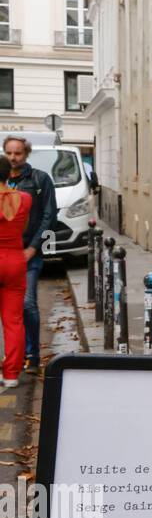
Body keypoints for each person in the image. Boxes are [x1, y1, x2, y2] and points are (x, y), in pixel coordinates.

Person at [4, 137, 56, 372]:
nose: (14, 157)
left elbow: (49, 215)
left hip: (28, 253)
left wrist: (33, 248)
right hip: (5, 253)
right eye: (9, 153)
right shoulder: (2, 179)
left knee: (27, 304)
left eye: (18, 153)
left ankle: (32, 355)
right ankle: (12, 356)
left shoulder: (39, 179)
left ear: (26, 154)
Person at [0, 157, 31, 387]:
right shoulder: (25, 199)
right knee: (14, 321)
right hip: (14, 259)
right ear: (9, 174)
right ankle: (11, 374)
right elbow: (24, 226)